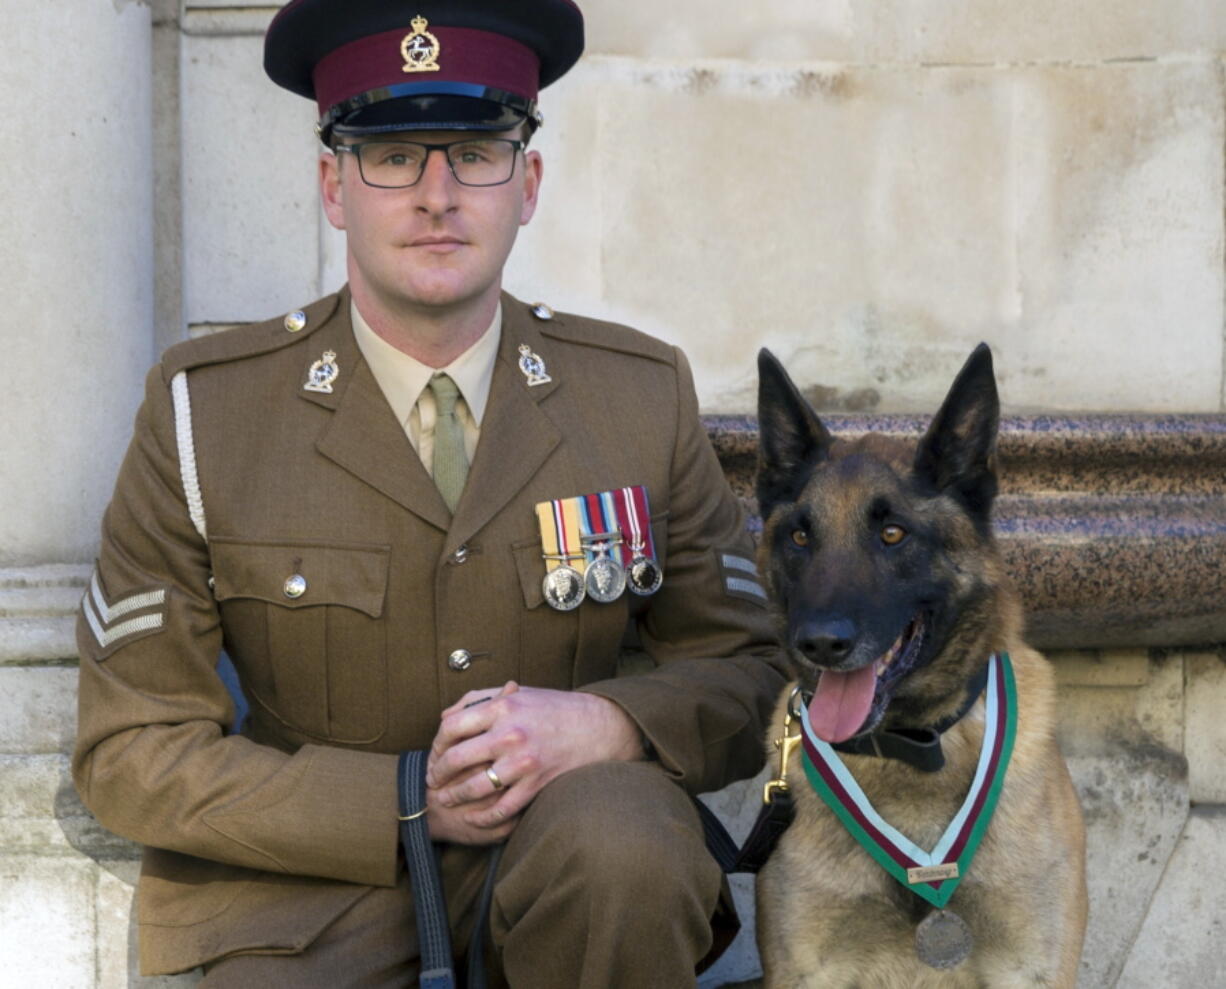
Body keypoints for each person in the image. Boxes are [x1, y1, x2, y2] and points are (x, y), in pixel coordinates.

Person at [72, 1, 789, 985]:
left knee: (625, 836)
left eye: (474, 151)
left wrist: (608, 725)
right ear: (333, 184)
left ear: (527, 181)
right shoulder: (210, 414)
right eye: (393, 155)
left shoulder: (634, 393)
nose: (437, 194)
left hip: (576, 864)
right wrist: (406, 798)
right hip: (305, 902)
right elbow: (132, 747)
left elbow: (746, 668)